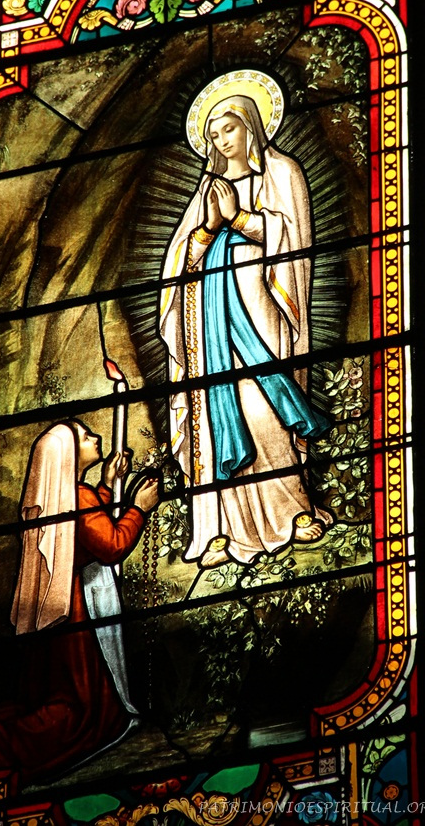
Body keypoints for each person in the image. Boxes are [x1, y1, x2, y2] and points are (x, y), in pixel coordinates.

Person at [160, 89, 331, 568]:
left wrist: (240, 218)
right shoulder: (207, 190)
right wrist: (211, 226)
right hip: (210, 315)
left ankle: (293, 510)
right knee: (218, 413)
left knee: (264, 407)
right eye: (213, 133)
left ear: (251, 124)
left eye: (228, 127)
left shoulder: (282, 173)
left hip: (263, 306)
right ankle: (228, 530)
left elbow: (293, 237)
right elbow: (182, 262)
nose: (221, 139)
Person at [0, 419, 159, 786]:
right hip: (79, 610)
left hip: (59, 606)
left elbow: (87, 524)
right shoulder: (76, 496)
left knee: (62, 696)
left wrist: (106, 483)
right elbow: (112, 544)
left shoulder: (68, 493)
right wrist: (140, 509)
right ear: (69, 453)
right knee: (83, 711)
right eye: (86, 436)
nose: (96, 437)